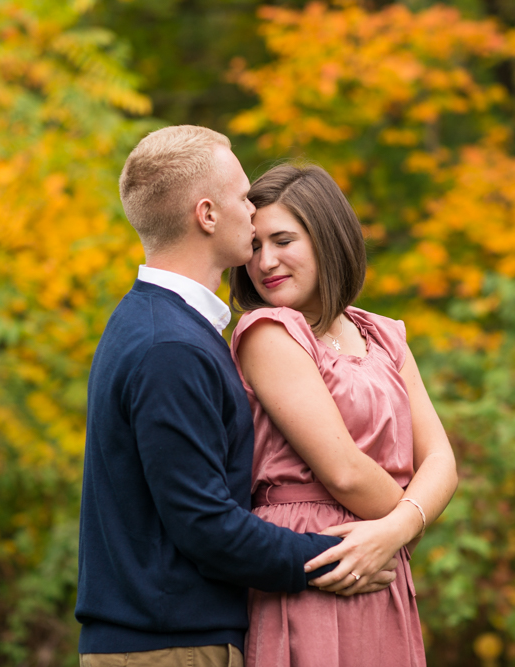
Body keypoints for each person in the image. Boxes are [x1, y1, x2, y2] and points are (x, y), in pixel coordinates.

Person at [75, 126, 396, 667]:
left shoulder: (166, 329)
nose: (254, 211)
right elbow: (206, 526)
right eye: (244, 196)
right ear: (207, 215)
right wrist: (339, 557)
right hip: (168, 648)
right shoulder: (168, 346)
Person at [229, 163, 459, 667]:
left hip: (376, 552)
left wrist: (392, 535)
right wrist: (408, 524)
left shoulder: (382, 333)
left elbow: (440, 457)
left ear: (327, 236)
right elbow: (344, 470)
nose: (265, 261)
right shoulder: (268, 332)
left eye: (283, 240)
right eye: (253, 246)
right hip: (312, 554)